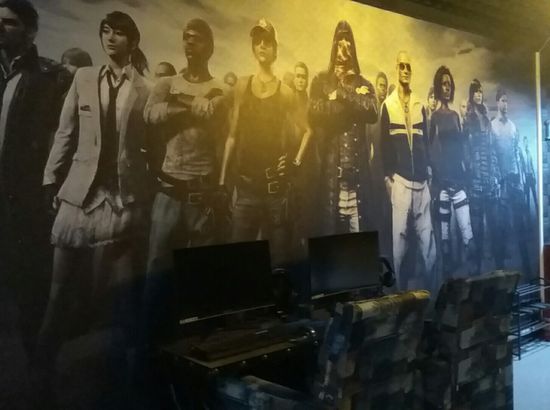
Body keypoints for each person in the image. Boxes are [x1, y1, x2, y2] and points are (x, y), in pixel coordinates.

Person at [38, 11, 150, 407]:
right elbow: (66, 131)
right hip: (79, 194)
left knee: (123, 298)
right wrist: (51, 179)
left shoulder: (145, 87)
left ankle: (125, 386)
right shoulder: (84, 78)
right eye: (105, 31)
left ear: (132, 41)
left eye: (119, 33)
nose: (110, 38)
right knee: (57, 295)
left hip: (121, 201)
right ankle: (40, 380)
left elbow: (146, 147)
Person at [0, 0, 65, 361]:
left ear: (30, 31)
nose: (0, 28)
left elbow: (57, 139)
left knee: (27, 280)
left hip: (23, 196)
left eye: (9, 23)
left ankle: (35, 362)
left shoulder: (47, 77)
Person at [218, 18, 311, 267]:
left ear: (275, 50)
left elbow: (307, 131)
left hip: (274, 193)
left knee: (277, 264)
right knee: (239, 262)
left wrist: (293, 164)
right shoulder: (242, 85)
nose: (262, 45)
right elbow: (232, 135)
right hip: (246, 189)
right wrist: (222, 182)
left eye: (267, 42)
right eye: (258, 41)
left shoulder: (285, 92)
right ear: (253, 47)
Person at [309, 20, 378, 235]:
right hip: (331, 186)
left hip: (358, 187)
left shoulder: (364, 84)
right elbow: (313, 112)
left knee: (360, 247)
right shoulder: (321, 81)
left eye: (348, 39)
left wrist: (340, 95)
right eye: (340, 39)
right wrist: (351, 102)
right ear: (333, 44)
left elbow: (372, 111)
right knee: (332, 246)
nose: (344, 45)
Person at [380, 51, 436, 291]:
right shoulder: (387, 106)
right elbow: (384, 145)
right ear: (396, 68)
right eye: (401, 66)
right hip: (400, 183)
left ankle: (432, 295)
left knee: (428, 242)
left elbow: (426, 143)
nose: (405, 70)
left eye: (408, 67)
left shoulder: (419, 105)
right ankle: (401, 295)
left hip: (422, 184)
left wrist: (429, 172)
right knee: (399, 244)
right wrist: (388, 178)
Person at [428, 66, 474, 276]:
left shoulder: (456, 116)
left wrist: (465, 177)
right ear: (438, 87)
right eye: (443, 84)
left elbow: (462, 150)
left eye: (449, 84)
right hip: (443, 185)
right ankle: (448, 287)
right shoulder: (434, 118)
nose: (447, 87)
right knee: (445, 240)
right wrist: (437, 182)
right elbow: (430, 152)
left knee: (468, 236)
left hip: (458, 182)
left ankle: (471, 280)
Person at [464, 79, 502, 274]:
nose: (478, 95)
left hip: (490, 181)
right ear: (471, 95)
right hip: (476, 181)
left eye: (480, 92)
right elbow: (465, 151)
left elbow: (492, 149)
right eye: (475, 92)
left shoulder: (487, 119)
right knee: (477, 227)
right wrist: (471, 174)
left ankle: (499, 266)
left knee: (494, 224)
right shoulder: (468, 119)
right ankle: (477, 268)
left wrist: (495, 175)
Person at [491, 88, 530, 275]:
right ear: (497, 102)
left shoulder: (513, 127)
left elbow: (516, 154)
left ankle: (527, 267)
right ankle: (500, 269)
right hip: (501, 183)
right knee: (501, 227)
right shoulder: (492, 126)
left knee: (520, 225)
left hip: (515, 182)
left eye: (507, 101)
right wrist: (497, 180)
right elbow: (492, 155)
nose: (505, 104)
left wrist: (520, 180)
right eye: (502, 101)